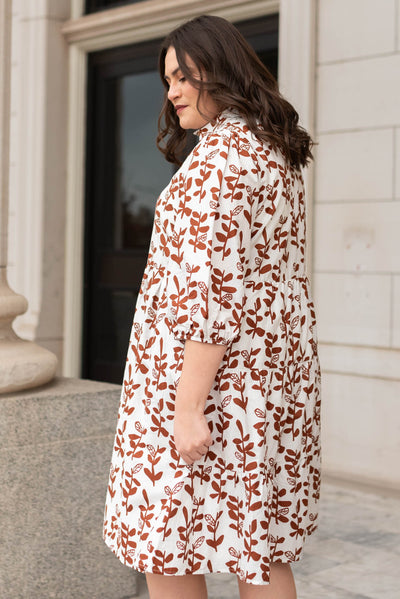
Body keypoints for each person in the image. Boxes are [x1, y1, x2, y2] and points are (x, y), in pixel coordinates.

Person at [103, 14, 321, 599]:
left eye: (181, 76)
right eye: (165, 79)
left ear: (216, 69)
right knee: (261, 544)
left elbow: (210, 294)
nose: (171, 91)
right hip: (267, 378)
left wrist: (187, 406)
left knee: (164, 542)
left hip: (206, 381)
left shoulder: (221, 163)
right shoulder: (268, 151)